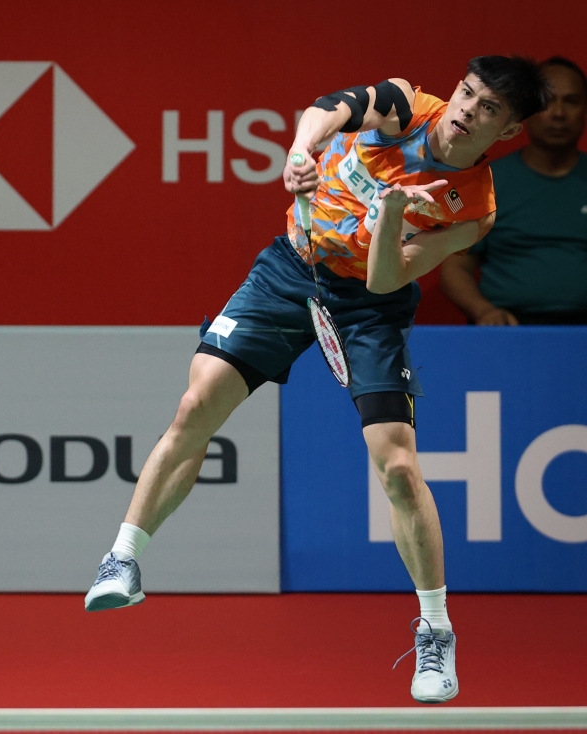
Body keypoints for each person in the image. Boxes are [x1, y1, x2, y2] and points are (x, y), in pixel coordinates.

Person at [83, 57, 549, 704]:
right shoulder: (407, 107)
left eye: (489, 108)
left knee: (397, 466)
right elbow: (330, 107)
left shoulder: (469, 208)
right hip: (290, 269)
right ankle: (124, 558)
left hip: (368, 305)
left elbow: (388, 280)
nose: (467, 110)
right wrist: (301, 152)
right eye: (469, 93)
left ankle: (436, 629)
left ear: (508, 131)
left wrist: (388, 216)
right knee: (197, 403)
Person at [441, 57, 587, 325]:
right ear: (527, 112)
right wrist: (483, 311)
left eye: (571, 101)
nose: (558, 113)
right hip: (506, 328)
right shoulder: (487, 182)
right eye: (547, 101)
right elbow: (455, 266)